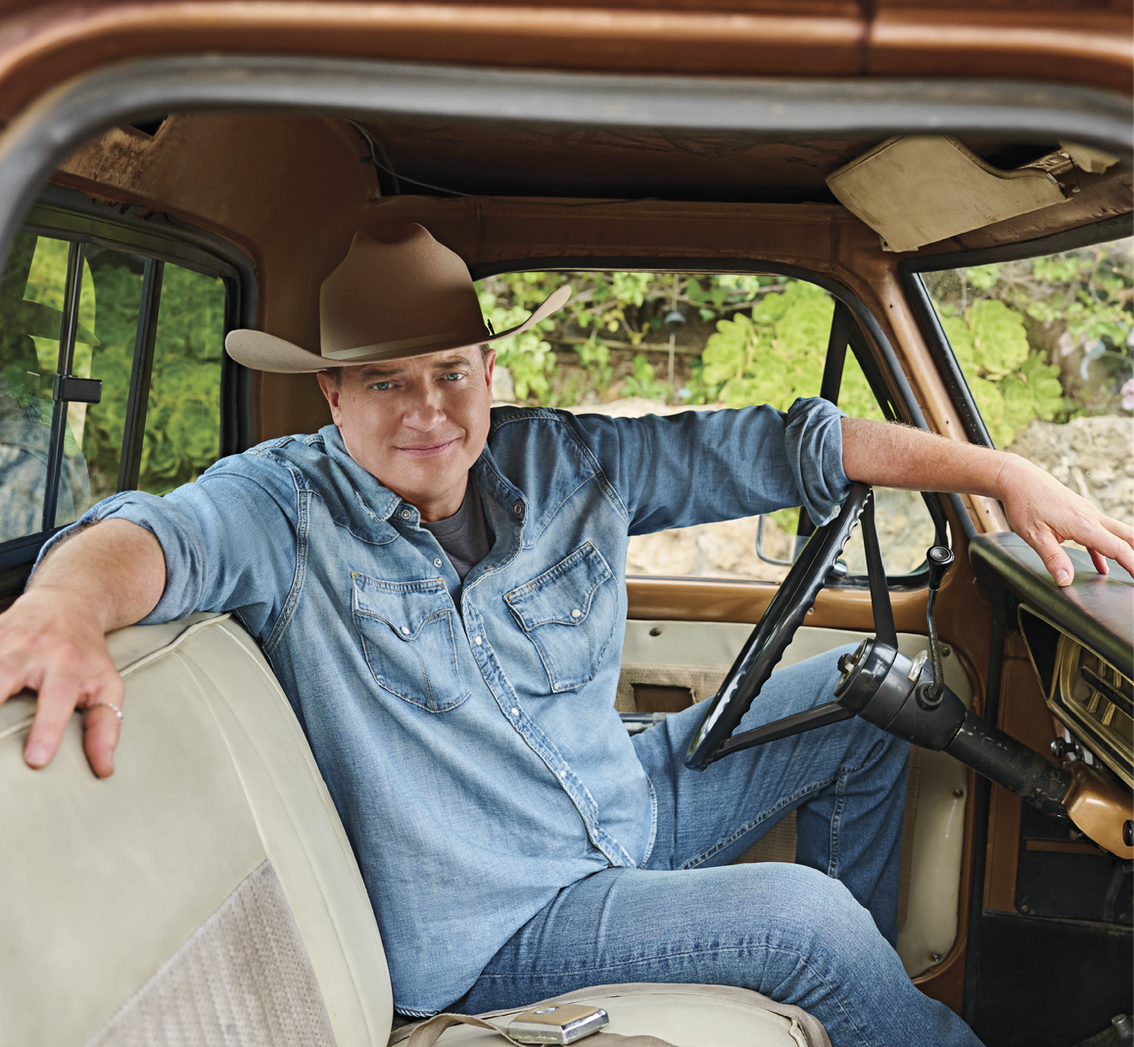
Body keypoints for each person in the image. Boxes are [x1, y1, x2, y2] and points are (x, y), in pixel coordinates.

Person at [3, 226, 1132, 1046]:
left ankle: (852, 1005)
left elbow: (789, 444)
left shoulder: (563, 461)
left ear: (488, 373)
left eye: (450, 373)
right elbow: (156, 535)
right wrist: (64, 606)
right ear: (333, 395)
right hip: (499, 920)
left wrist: (998, 472)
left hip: (628, 803)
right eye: (386, 383)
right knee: (803, 917)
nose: (427, 410)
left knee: (866, 694)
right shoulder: (285, 507)